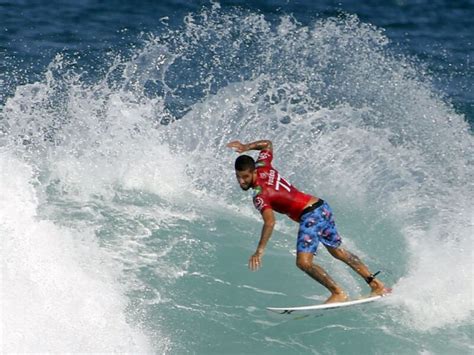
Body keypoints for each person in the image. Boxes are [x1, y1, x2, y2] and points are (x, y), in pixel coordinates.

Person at [227, 139, 390, 303]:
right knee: (338, 251)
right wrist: (246, 147)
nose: (242, 181)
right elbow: (267, 144)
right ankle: (377, 285)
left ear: (253, 172)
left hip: (310, 215)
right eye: (238, 177)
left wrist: (259, 251)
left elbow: (270, 222)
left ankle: (338, 293)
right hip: (321, 207)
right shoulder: (263, 166)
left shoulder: (260, 195)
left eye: (245, 177)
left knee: (303, 262)